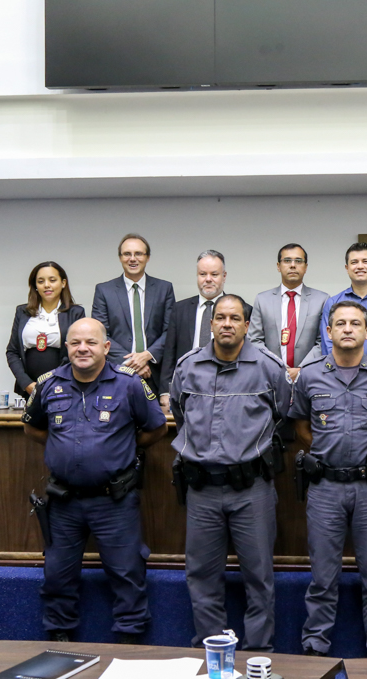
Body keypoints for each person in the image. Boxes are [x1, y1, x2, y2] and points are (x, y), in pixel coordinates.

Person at [22, 318, 168, 643]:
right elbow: (32, 427)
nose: (82, 348)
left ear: (105, 347)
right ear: (68, 347)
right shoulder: (48, 383)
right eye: (75, 343)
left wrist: (124, 448)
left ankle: (130, 646)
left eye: (90, 342)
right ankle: (59, 641)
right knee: (57, 576)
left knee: (127, 575)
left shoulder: (129, 383)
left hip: (113, 500)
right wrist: (64, 451)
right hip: (63, 502)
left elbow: (157, 428)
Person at [169, 294, 291, 651]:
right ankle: (213, 654)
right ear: (211, 324)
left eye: (234, 318)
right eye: (220, 317)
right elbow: (179, 413)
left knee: (259, 577)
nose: (226, 324)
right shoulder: (188, 366)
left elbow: (282, 413)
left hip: (252, 488)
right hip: (202, 489)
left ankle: (258, 654)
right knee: (203, 577)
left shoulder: (268, 366)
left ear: (246, 325)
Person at [290, 300, 367, 658]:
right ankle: (315, 650)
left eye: (354, 324)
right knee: (323, 579)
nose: (347, 329)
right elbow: (300, 424)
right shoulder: (310, 375)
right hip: (325, 487)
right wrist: (327, 450)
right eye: (339, 324)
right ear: (328, 332)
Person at [91, 233, 176, 393]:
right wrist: (134, 362)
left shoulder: (164, 289)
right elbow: (100, 334)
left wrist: (147, 356)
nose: (132, 258)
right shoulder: (104, 290)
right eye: (127, 254)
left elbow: (170, 331)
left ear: (148, 257)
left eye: (138, 253)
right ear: (120, 257)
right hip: (116, 372)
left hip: (154, 373)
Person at [248, 243, 329, 382]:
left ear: (305, 267)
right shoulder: (263, 300)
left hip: (310, 376)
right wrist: (277, 367)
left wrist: (301, 369)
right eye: (287, 261)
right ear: (278, 266)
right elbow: (254, 340)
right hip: (270, 376)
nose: (292, 265)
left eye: (298, 261)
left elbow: (323, 341)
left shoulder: (322, 300)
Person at [159, 250, 228, 411]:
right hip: (186, 388)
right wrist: (165, 391)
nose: (208, 279)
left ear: (224, 276)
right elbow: (169, 353)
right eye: (203, 274)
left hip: (225, 387)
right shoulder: (179, 309)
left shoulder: (240, 310)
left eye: (214, 274)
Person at [6, 260, 86, 398]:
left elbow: (78, 350)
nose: (47, 285)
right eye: (41, 281)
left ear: (63, 283)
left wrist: (53, 382)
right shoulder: (22, 312)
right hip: (29, 388)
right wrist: (26, 383)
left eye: (52, 280)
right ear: (35, 286)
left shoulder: (75, 313)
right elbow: (12, 352)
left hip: (64, 384)